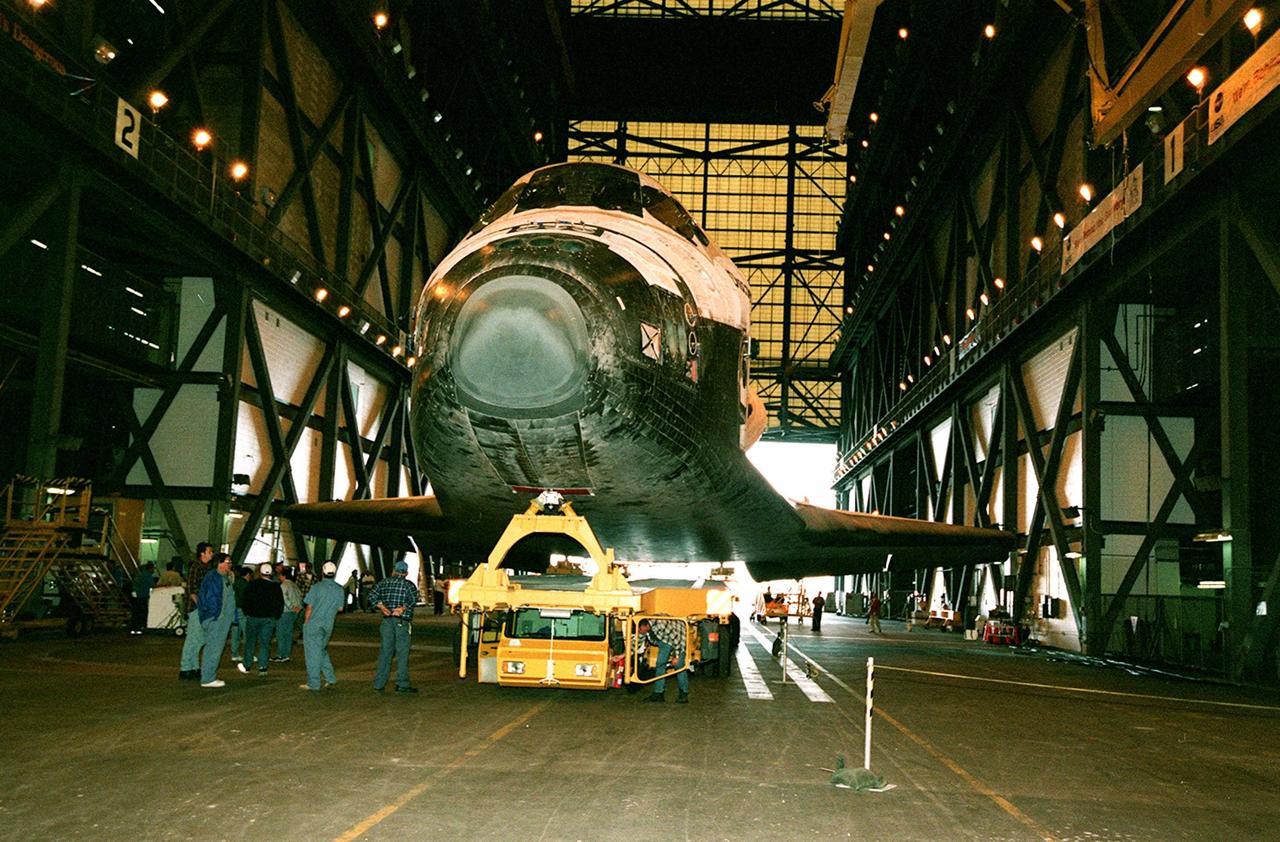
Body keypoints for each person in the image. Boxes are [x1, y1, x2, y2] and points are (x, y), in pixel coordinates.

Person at [369, 560, 419, 693]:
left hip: (386, 621)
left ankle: (379, 684)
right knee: (402, 653)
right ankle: (402, 684)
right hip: (401, 622)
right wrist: (402, 608)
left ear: (394, 570)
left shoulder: (383, 583)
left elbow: (372, 595)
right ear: (406, 573)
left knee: (385, 653)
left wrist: (382, 606)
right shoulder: (409, 586)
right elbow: (413, 600)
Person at [300, 560, 344, 691]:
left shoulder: (316, 587)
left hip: (313, 624)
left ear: (322, 572)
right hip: (328, 624)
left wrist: (306, 622)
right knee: (321, 650)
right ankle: (330, 677)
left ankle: (313, 683)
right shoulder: (339, 589)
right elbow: (340, 608)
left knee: (312, 654)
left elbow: (309, 607)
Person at [196, 552, 236, 688]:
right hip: (217, 619)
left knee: (215, 647)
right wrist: (214, 617)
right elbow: (211, 598)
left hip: (222, 619)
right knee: (213, 648)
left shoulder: (224, 578)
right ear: (219, 563)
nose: (229, 564)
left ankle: (208, 676)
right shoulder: (214, 578)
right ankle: (208, 678)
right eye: (227, 562)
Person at [178, 542, 214, 680]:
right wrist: (200, 606)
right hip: (196, 608)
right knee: (193, 639)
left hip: (204, 608)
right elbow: (192, 589)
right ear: (202, 553)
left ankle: (194, 666)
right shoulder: (196, 567)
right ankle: (186, 667)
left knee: (199, 639)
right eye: (209, 551)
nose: (211, 554)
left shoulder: (208, 568)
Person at [239, 563, 283, 676]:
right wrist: (276, 616)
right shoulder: (276, 587)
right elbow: (279, 604)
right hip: (268, 619)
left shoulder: (252, 585)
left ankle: (247, 665)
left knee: (250, 642)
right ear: (271, 573)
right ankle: (262, 667)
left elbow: (245, 601)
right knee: (264, 643)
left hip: (253, 617)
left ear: (260, 572)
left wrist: (247, 612)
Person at [641, 618, 689, 704]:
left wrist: (676, 656)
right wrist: (623, 655)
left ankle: (684, 694)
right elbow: (637, 642)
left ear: (646, 626)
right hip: (665, 640)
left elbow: (677, 639)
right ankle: (659, 693)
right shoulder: (644, 629)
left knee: (679, 666)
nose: (640, 632)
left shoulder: (661, 625)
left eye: (641, 630)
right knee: (660, 664)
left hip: (679, 637)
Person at [273, 567, 303, 663]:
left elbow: (284, 599)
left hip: (285, 612)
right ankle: (286, 655)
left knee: (281, 634)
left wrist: (291, 607)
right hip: (294, 613)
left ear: (283, 576)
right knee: (289, 634)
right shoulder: (294, 585)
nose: (279, 577)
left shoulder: (284, 585)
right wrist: (298, 607)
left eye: (280, 575)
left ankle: (280, 655)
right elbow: (300, 596)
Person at [229, 565, 250, 662]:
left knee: (235, 633)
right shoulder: (245, 584)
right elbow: (245, 598)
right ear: (248, 574)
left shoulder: (235, 583)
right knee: (247, 632)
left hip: (234, 610)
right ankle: (247, 654)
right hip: (242, 610)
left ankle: (234, 654)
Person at [130, 562, 156, 634]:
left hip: (136, 596)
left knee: (135, 612)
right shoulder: (148, 576)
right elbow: (153, 585)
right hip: (143, 596)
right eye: (153, 569)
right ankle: (140, 628)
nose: (154, 570)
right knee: (142, 612)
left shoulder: (140, 575)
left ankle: (133, 628)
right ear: (150, 568)